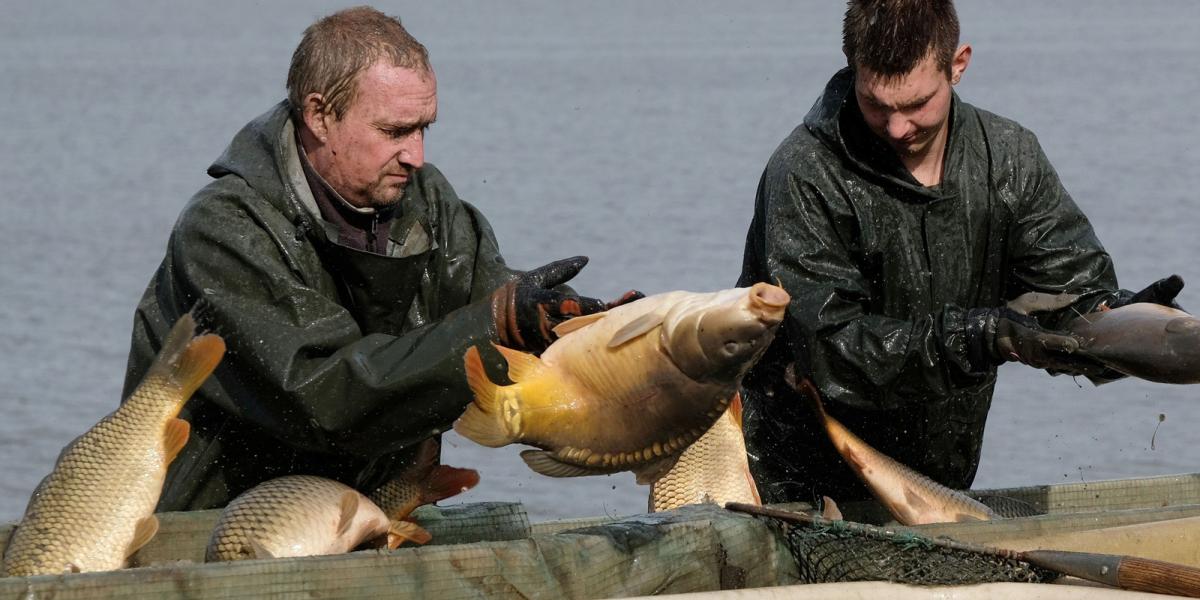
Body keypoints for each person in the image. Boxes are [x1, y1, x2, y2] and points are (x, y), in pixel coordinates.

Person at [123, 6, 638, 511]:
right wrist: (495, 323)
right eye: (395, 132)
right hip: (215, 532)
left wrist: (607, 333)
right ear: (320, 115)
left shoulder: (424, 200)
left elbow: (489, 301)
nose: (417, 155)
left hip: (363, 512)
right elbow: (323, 396)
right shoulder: (224, 231)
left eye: (424, 129)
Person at [736, 0, 1183, 505]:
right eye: (877, 104)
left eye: (917, 104)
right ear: (851, 65)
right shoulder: (804, 174)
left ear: (959, 64)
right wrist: (981, 337)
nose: (897, 126)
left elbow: (1067, 302)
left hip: (938, 490)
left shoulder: (1010, 159)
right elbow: (834, 352)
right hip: (794, 488)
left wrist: (1126, 322)